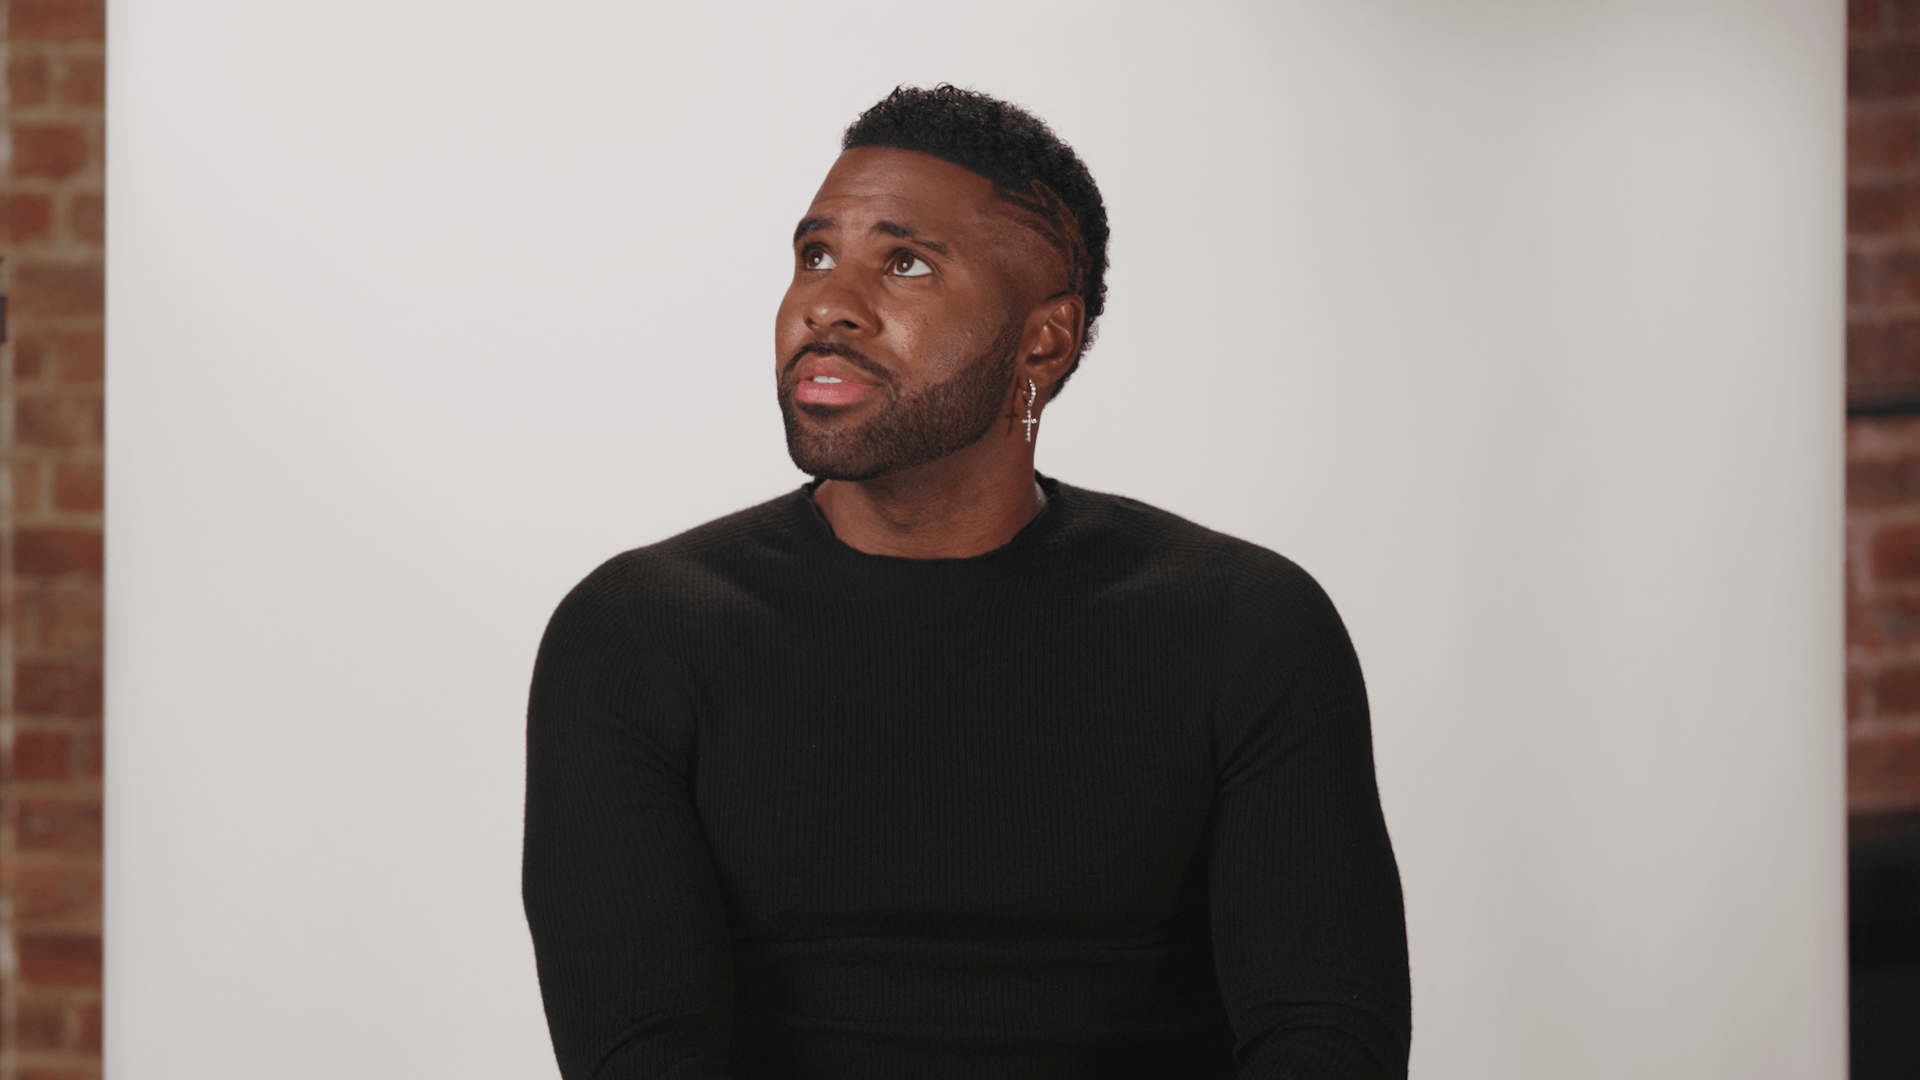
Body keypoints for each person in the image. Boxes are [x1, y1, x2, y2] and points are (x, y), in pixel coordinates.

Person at [523, 84, 1411, 1079]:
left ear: (1045, 339)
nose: (827, 303)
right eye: (815, 256)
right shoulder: (642, 636)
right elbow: (642, 1054)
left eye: (903, 263)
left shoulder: (1243, 627)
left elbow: (1327, 1037)